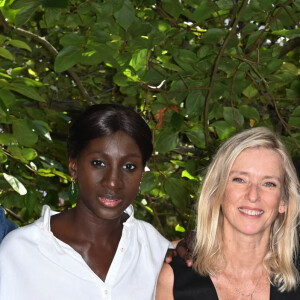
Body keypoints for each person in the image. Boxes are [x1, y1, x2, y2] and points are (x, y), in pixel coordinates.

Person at [0, 104, 174, 300]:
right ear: (74, 166)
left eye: (129, 166)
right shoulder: (21, 251)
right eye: (99, 163)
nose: (113, 182)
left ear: (142, 174)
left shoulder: (154, 248)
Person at [156, 127, 300, 300]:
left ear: (283, 201)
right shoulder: (174, 282)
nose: (253, 195)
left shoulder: (295, 281)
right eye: (239, 180)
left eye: (269, 183)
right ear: (217, 192)